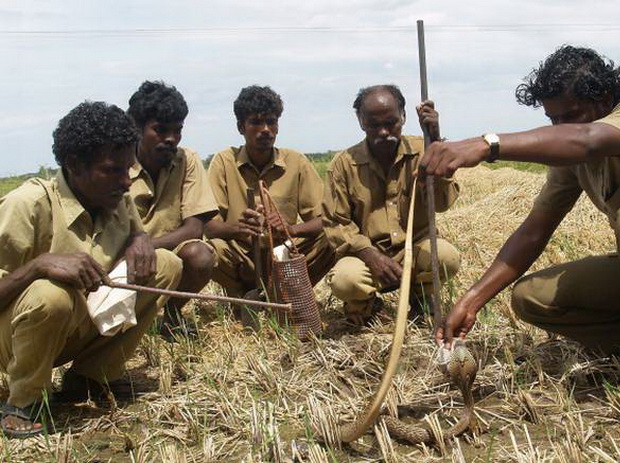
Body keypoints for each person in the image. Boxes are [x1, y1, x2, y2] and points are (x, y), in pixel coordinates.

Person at [422, 45, 620, 398]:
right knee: (531, 297)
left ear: (606, 99)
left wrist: (487, 145)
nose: (559, 127)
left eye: (571, 115)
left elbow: (586, 140)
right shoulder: (573, 161)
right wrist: (472, 300)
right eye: (553, 119)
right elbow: (535, 230)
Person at [0, 101, 183, 438]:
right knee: (50, 294)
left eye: (129, 169)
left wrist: (140, 238)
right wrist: (38, 267)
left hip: (75, 328)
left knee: (164, 263)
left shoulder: (117, 198)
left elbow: (138, 235)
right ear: (74, 165)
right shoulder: (26, 206)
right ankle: (24, 401)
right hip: (15, 338)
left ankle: (88, 378)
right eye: (113, 170)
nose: (127, 183)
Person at [322, 84, 461, 324]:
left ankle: (421, 297)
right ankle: (365, 305)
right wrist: (370, 256)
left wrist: (436, 143)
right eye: (375, 125)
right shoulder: (343, 165)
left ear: (404, 117)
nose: (384, 132)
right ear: (360, 121)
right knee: (346, 279)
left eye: (391, 123)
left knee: (446, 257)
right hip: (366, 256)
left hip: (415, 250)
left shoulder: (425, 150)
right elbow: (336, 222)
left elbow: (443, 203)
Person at [206, 85, 335, 298]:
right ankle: (242, 295)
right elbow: (210, 227)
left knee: (333, 237)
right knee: (209, 250)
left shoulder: (296, 162)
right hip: (243, 256)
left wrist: (290, 229)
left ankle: (288, 293)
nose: (266, 129)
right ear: (241, 127)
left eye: (271, 122)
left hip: (285, 254)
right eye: (256, 122)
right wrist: (241, 228)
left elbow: (324, 219)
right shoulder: (224, 161)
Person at [127, 81, 218, 340]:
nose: (171, 138)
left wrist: (147, 246)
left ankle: (171, 315)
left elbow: (194, 228)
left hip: (169, 252)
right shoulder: (117, 165)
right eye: (160, 130)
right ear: (136, 128)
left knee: (200, 256)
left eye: (177, 130)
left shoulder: (187, 160)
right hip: (123, 256)